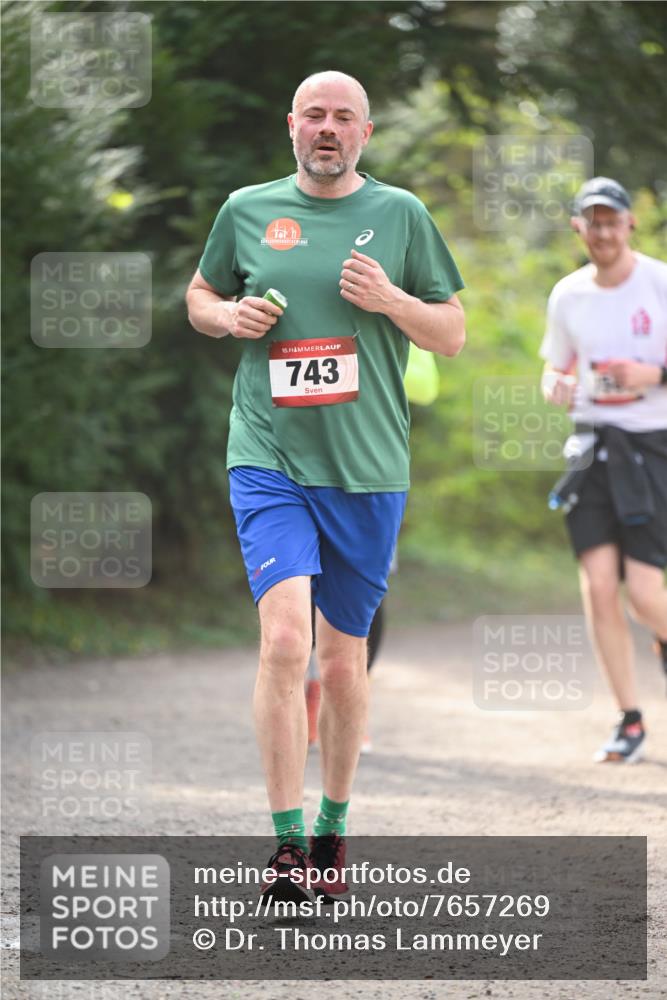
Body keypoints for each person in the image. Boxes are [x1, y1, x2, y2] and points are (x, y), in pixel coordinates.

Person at [186, 70, 465, 900]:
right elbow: (201, 294)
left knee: (342, 665)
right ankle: (284, 844)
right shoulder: (247, 210)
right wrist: (227, 317)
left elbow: (450, 333)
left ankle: (332, 826)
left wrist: (390, 299)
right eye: (315, 115)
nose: (328, 128)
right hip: (268, 455)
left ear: (364, 134)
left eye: (344, 117)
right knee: (284, 642)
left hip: (367, 469)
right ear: (292, 126)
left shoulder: (400, 215)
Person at [540, 176, 667, 764]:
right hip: (591, 448)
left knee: (643, 595)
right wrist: (555, 385)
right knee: (596, 588)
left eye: (612, 221)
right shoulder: (567, 295)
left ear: (629, 224)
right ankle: (629, 719)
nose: (603, 232)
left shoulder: (659, 282)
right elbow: (554, 367)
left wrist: (653, 376)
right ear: (579, 228)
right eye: (592, 222)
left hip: (652, 449)